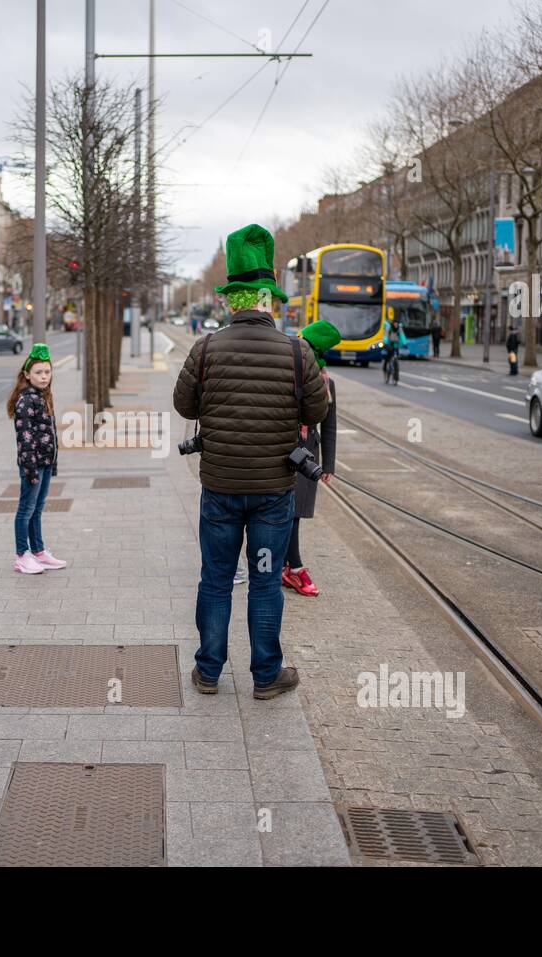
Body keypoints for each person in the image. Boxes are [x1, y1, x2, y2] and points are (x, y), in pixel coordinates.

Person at [173, 223, 329, 701]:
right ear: (268, 299)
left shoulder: (205, 349)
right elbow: (316, 412)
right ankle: (266, 676)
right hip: (271, 494)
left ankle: (208, 672)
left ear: (231, 300)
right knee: (264, 581)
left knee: (216, 579)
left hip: (219, 488)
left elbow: (185, 406)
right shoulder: (297, 352)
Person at [283, 319, 339, 597]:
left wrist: (328, 464)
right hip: (285, 448)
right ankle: (294, 567)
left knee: (297, 511)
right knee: (289, 511)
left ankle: (285, 564)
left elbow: (329, 425)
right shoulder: (289, 370)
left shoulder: (327, 381)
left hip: (309, 454)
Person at [9, 343, 67, 574]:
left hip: (44, 462)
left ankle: (39, 551)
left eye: (47, 372)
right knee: (26, 508)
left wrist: (52, 464)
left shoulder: (43, 396)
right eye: (38, 373)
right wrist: (31, 469)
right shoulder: (26, 400)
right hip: (32, 466)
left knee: (37, 508)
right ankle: (22, 555)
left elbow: (49, 434)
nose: (44, 377)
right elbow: (25, 438)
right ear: (27, 375)